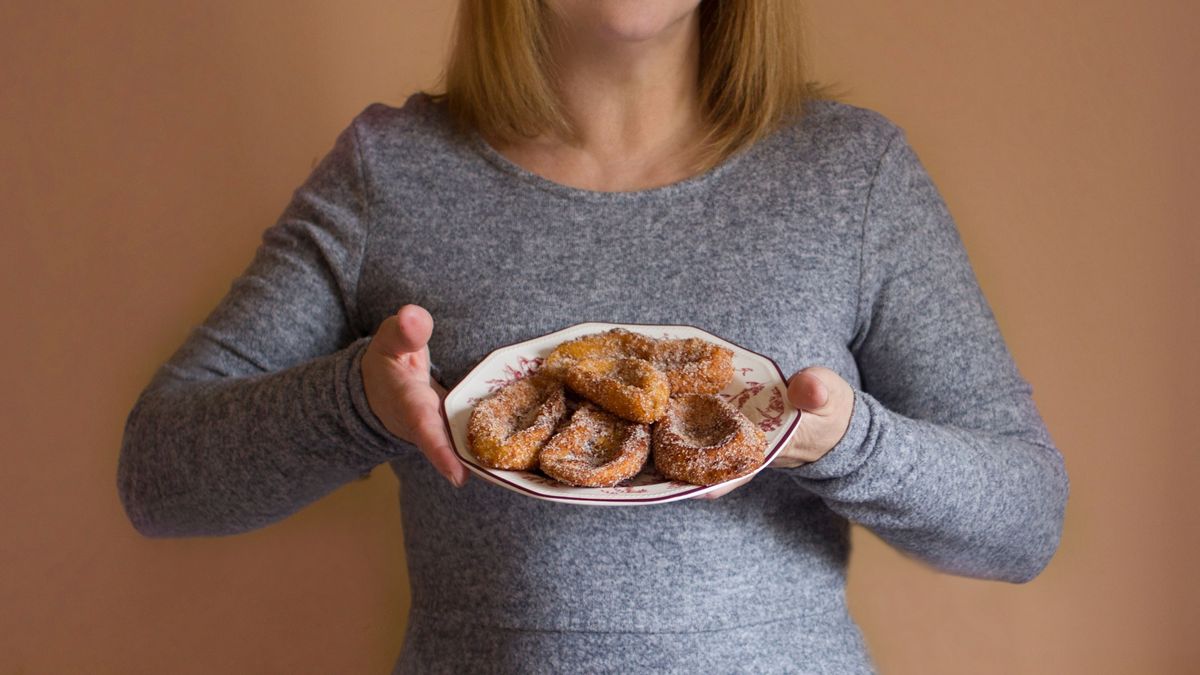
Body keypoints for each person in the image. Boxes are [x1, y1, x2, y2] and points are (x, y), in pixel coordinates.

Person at [117, 0, 1069, 672]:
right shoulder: (392, 173)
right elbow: (159, 477)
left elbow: (1025, 519)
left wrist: (849, 441)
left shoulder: (850, 175)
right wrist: (356, 404)